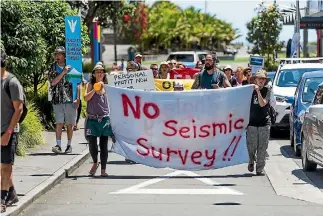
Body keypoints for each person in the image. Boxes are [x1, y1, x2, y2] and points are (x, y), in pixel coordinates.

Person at [1, 51, 23, 212]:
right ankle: (12, 193)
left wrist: (8, 132)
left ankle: (1, 199)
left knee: (5, 167)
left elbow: (19, 109)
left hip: (8, 131)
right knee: (4, 167)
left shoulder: (12, 82)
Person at [48, 46, 80, 154]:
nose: (57, 56)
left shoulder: (71, 66)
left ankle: (69, 145)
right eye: (56, 54)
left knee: (69, 123)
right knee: (59, 122)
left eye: (59, 54)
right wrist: (63, 72)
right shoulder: (52, 67)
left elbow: (78, 84)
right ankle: (58, 145)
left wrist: (78, 99)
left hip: (70, 99)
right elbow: (52, 82)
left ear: (64, 55)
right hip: (57, 99)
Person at [84, 64, 115, 176]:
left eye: (101, 72)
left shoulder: (108, 86)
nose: (100, 73)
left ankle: (103, 169)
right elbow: (86, 98)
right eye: (97, 72)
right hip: (92, 119)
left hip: (104, 118)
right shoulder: (90, 84)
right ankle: (95, 162)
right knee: (92, 144)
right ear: (94, 74)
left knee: (104, 145)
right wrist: (94, 89)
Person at [247, 70, 271, 176]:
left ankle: (260, 168)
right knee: (251, 146)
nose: (261, 80)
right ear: (255, 80)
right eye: (259, 78)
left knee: (262, 146)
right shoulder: (248, 90)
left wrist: (258, 92)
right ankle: (251, 160)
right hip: (251, 122)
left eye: (263, 79)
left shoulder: (267, 90)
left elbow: (262, 104)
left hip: (264, 123)